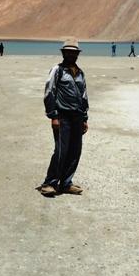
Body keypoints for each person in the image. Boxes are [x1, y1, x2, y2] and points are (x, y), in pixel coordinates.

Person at [40, 39, 89, 197]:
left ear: (77, 54)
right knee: (61, 150)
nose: (71, 54)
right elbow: (49, 93)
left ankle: (66, 183)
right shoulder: (57, 70)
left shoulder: (80, 73)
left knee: (75, 151)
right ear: (63, 53)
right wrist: (53, 115)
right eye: (68, 51)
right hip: (62, 117)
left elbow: (84, 96)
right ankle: (50, 183)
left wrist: (85, 118)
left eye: (74, 52)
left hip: (77, 117)